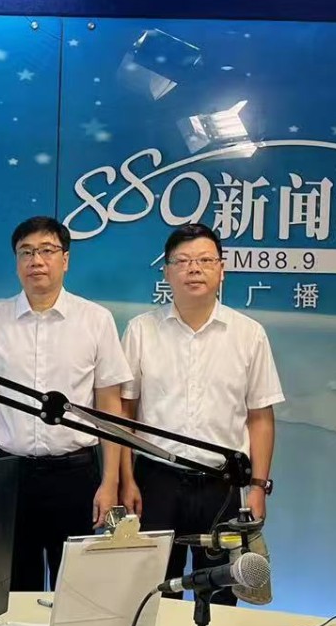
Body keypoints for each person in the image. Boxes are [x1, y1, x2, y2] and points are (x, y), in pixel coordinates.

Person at [0, 216, 132, 591]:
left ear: (65, 259)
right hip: (9, 474)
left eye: (46, 250)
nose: (36, 261)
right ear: (16, 262)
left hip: (75, 476)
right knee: (12, 589)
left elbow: (110, 407)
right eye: (26, 252)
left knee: (77, 592)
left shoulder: (96, 320)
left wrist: (110, 482)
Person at [119, 223, 283, 604]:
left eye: (205, 260)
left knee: (222, 595)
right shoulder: (141, 331)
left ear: (221, 269)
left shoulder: (249, 334)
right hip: (155, 483)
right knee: (154, 593)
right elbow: (125, 413)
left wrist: (258, 488)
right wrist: (127, 480)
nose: (194, 269)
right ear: (167, 272)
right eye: (183, 261)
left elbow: (260, 417)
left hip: (221, 486)